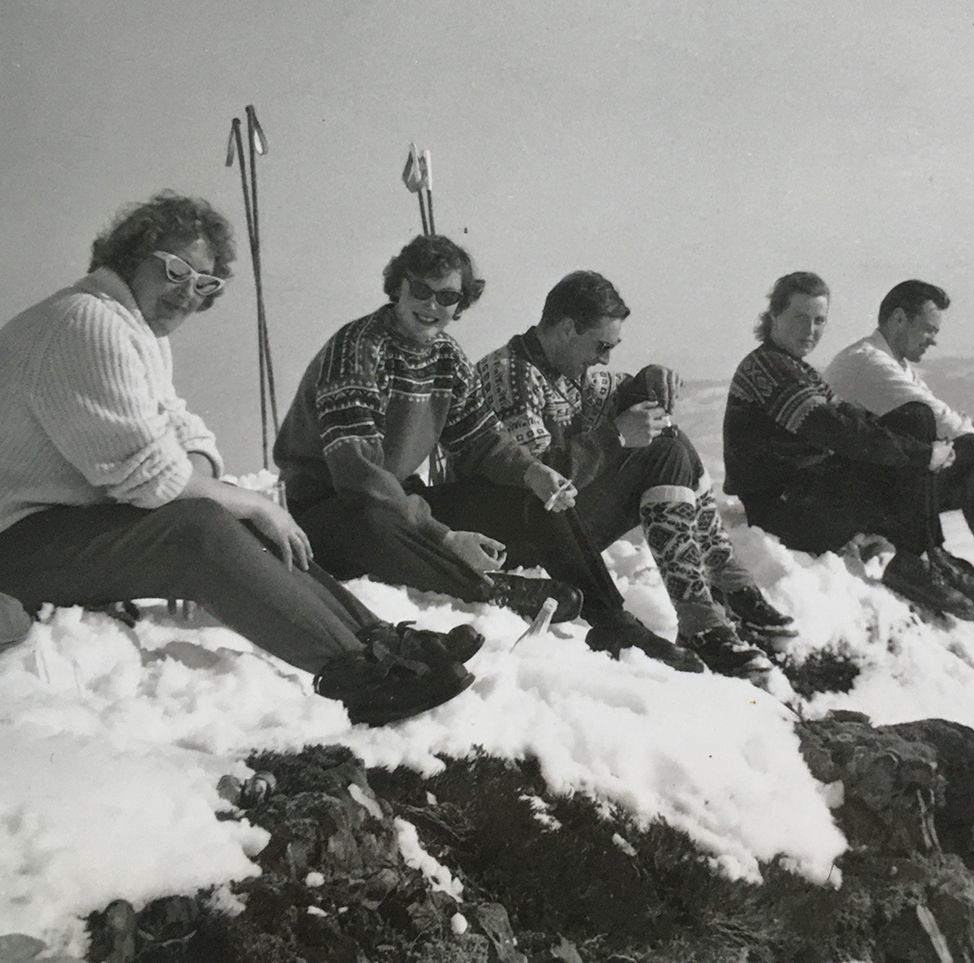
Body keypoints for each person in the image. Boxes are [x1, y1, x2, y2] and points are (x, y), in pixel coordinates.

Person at [0, 192, 479, 726]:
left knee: (221, 514)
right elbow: (149, 476)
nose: (186, 294)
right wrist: (232, 496)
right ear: (129, 254)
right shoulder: (88, 324)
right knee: (196, 532)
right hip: (14, 542)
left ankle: (379, 641)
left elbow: (184, 435)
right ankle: (358, 674)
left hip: (52, 526)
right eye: (175, 270)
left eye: (202, 283)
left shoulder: (136, 332)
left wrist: (213, 489)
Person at [274, 238, 702, 672]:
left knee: (537, 493)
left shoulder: (447, 357)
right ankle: (489, 590)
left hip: (399, 500)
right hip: (327, 509)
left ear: (461, 303)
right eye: (420, 291)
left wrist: (533, 472)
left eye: (447, 297)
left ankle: (611, 619)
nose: (432, 306)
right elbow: (359, 476)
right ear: (397, 287)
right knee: (376, 522)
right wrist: (444, 536)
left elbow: (482, 441)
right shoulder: (357, 351)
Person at [476, 270, 794, 678]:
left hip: (553, 530)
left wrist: (650, 381)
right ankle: (706, 613)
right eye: (601, 345)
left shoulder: (567, 368)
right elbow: (538, 481)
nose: (605, 358)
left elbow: (615, 389)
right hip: (514, 537)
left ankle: (722, 585)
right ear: (568, 328)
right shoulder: (510, 375)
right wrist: (616, 436)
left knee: (668, 440)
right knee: (659, 452)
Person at [722, 271, 974, 616]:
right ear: (774, 317)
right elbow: (838, 431)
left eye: (818, 321)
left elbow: (855, 420)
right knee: (898, 440)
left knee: (914, 416)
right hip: (782, 508)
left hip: (807, 493)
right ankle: (913, 562)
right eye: (799, 318)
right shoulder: (768, 369)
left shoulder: (798, 369)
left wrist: (925, 446)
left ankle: (924, 555)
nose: (809, 330)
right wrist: (922, 454)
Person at [822, 279, 974, 611]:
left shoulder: (896, 365)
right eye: (928, 329)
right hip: (856, 497)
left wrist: (968, 434)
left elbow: (933, 422)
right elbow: (939, 419)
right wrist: (969, 435)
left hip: (875, 486)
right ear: (899, 319)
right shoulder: (868, 362)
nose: (934, 340)